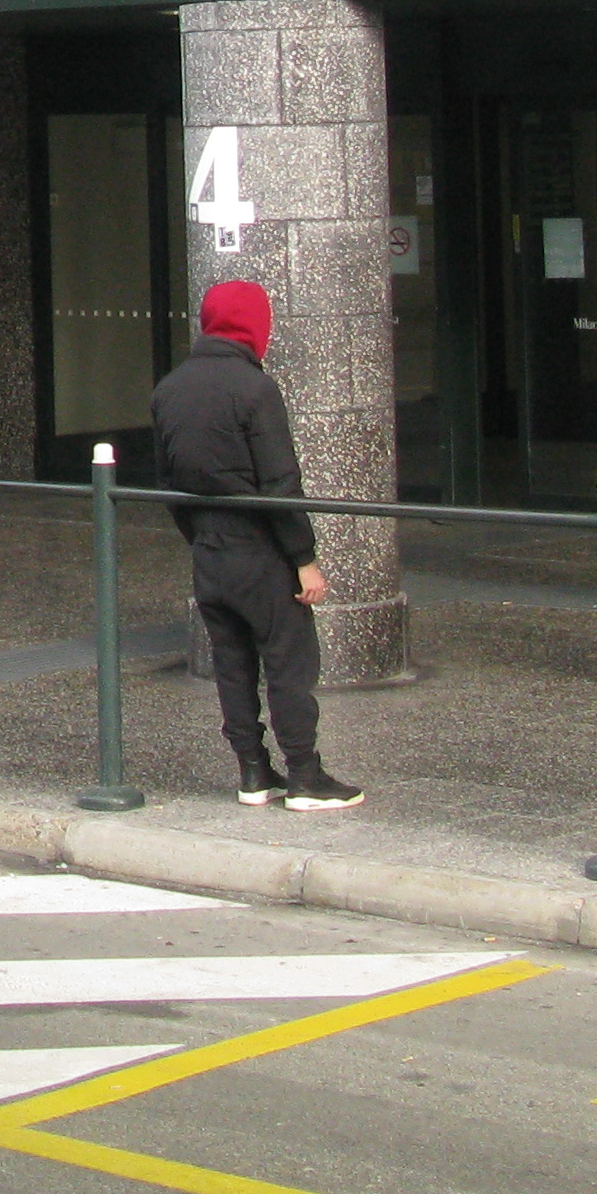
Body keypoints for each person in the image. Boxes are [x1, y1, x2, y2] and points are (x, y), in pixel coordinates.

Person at [150, 281, 360, 810]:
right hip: (260, 551)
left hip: (209, 551)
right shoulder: (254, 389)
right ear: (253, 327)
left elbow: (167, 482)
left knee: (233, 663)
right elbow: (280, 485)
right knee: (289, 662)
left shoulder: (170, 389)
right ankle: (305, 776)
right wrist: (304, 560)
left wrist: (200, 537)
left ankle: (252, 771)